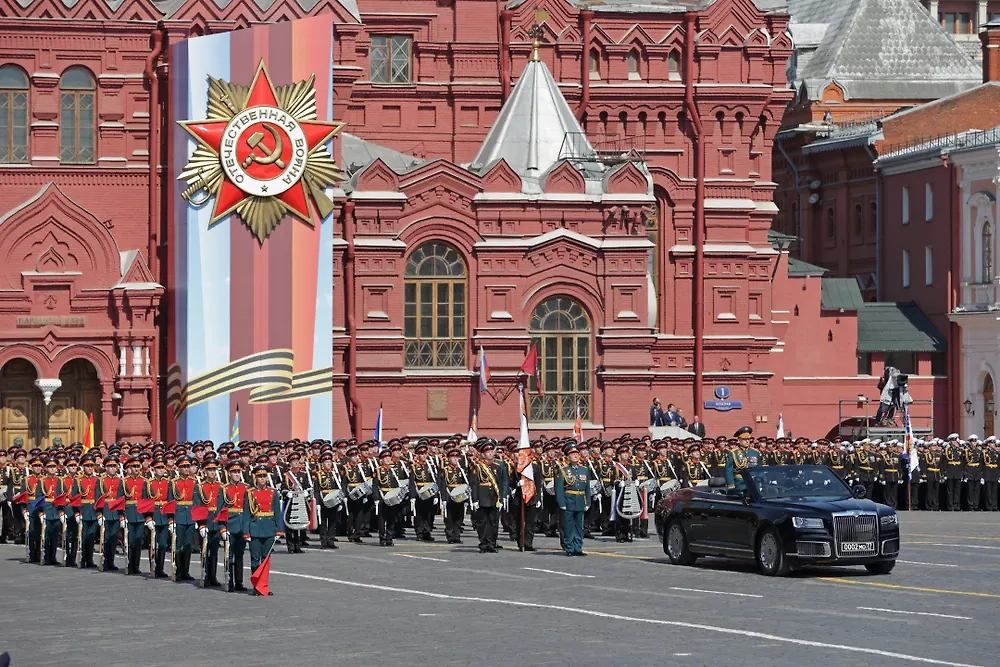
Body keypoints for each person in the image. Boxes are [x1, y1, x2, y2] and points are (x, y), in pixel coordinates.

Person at [248, 464, 282, 596]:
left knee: (265, 559)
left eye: (264, 476)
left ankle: (264, 585)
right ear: (255, 478)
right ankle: (256, 586)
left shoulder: (273, 492)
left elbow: (277, 512)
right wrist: (246, 531)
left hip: (268, 527)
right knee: (255, 559)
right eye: (260, 476)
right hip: (255, 527)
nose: (262, 479)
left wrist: (278, 529)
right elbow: (247, 513)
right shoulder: (250, 493)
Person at [470, 441, 508, 553]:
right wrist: (475, 499)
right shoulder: (477, 467)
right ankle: (483, 544)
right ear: (482, 454)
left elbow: (500, 484)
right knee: (482, 523)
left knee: (493, 522)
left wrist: (501, 498)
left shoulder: (498, 466)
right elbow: (474, 484)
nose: (490, 453)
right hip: (482, 497)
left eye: (491, 451)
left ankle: (491, 543)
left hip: (493, 498)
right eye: (487, 452)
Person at [555, 443, 590, 557]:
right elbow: (559, 488)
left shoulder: (584, 470)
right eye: (572, 454)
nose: (575, 456)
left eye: (576, 453)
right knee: (568, 526)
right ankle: (569, 547)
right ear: (568, 457)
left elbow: (587, 488)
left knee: (579, 526)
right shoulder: (563, 470)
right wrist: (561, 502)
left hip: (580, 500)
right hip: (568, 500)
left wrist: (587, 501)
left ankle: (578, 547)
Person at [167, 456, 197, 581]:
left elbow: (196, 501)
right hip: (178, 516)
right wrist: (170, 520)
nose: (186, 469)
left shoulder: (194, 482)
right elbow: (170, 501)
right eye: (183, 467)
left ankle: (186, 571)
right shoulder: (173, 483)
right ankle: (178, 571)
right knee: (178, 546)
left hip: (190, 516)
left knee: (188, 545)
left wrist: (197, 518)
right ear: (178, 468)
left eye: (187, 466)